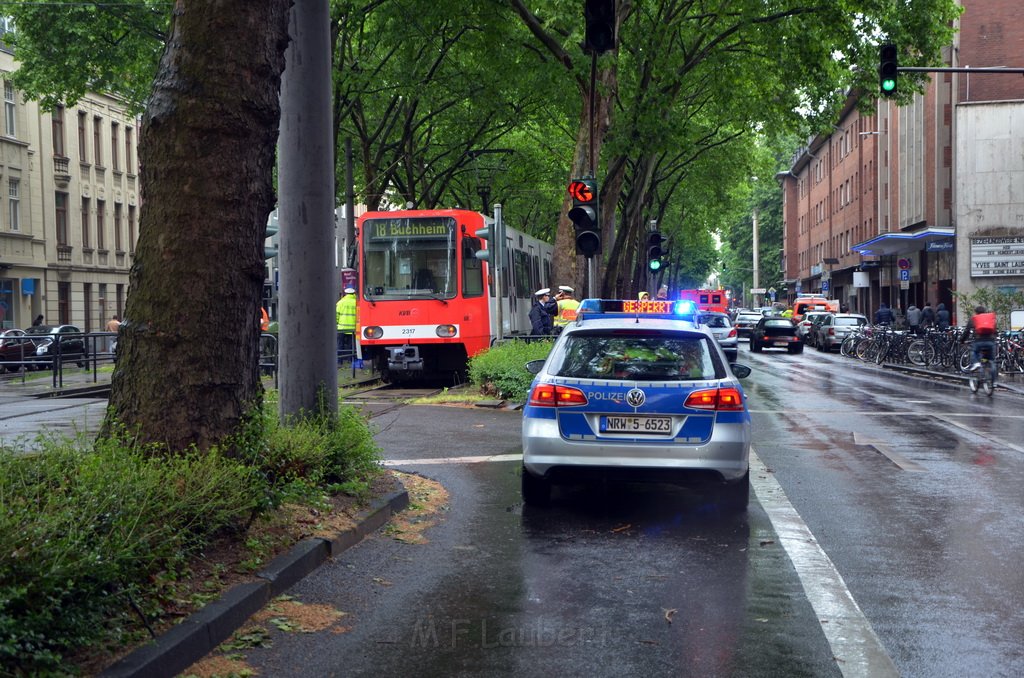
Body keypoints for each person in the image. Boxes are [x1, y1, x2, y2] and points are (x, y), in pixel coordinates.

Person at [966, 305, 998, 372]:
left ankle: (976, 363)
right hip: (990, 341)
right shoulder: (990, 318)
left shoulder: (973, 319)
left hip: (979, 341)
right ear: (984, 311)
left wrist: (962, 340)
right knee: (991, 360)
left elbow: (967, 331)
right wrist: (995, 336)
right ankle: (992, 374)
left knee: (973, 351)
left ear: (976, 312)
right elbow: (995, 330)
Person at [336, 287, 357, 363]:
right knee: (351, 345)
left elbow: (336, 315)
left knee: (340, 345)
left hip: (342, 328)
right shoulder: (356, 302)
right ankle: (350, 360)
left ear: (345, 294)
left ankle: (339, 361)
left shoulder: (340, 302)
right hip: (353, 328)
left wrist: (337, 323)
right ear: (354, 294)